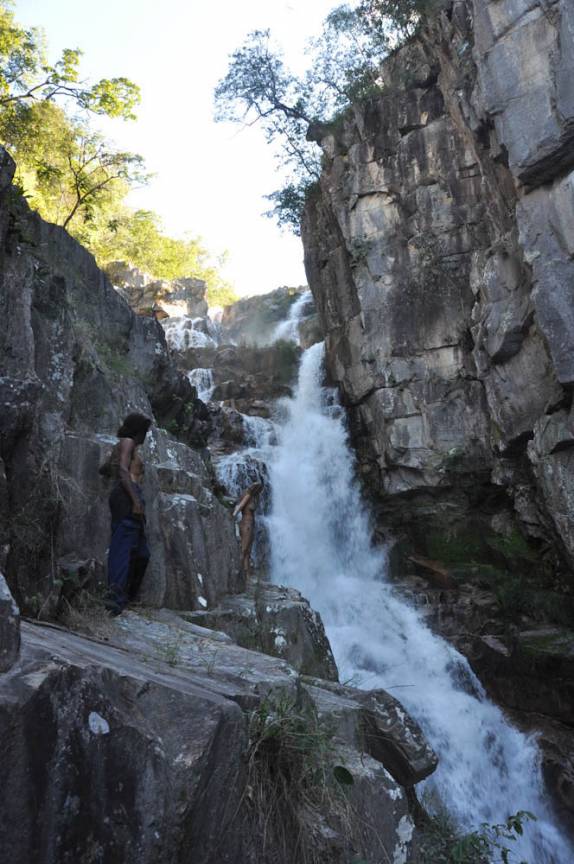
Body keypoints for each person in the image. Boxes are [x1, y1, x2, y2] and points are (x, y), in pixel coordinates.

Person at [100, 412, 152, 615]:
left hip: (126, 495)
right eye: (145, 431)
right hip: (127, 497)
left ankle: (126, 597)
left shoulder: (124, 446)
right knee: (121, 548)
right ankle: (114, 600)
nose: (146, 435)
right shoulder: (128, 442)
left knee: (142, 554)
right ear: (138, 430)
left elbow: (105, 469)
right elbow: (122, 470)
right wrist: (135, 500)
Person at [233, 481, 264, 577]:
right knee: (244, 549)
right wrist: (233, 516)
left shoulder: (254, 497)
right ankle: (237, 573)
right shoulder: (248, 496)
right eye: (257, 489)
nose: (259, 491)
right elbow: (240, 506)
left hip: (251, 524)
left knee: (248, 551)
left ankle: (247, 575)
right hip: (246, 524)